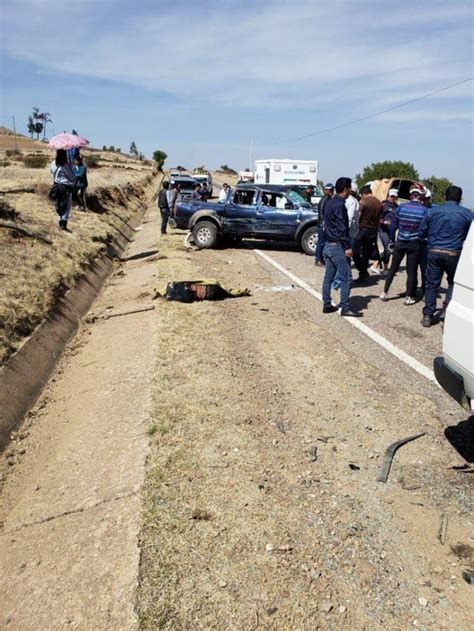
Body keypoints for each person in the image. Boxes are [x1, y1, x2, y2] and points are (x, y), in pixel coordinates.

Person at [419, 185, 472, 327]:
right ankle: (446, 310)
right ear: (460, 199)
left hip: (434, 251)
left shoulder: (432, 212)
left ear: (444, 197)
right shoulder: (467, 214)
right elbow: (469, 235)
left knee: (432, 284)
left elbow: (421, 232)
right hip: (454, 252)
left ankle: (428, 316)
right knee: (452, 283)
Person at [380, 182, 428, 305]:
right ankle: (408, 297)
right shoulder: (425, 211)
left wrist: (391, 241)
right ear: (421, 196)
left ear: (411, 195)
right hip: (414, 243)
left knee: (393, 268)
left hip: (400, 241)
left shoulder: (401, 207)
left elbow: (393, 226)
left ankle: (385, 293)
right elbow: (424, 229)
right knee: (411, 271)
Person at [321, 177, 362, 317]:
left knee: (328, 277)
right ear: (345, 189)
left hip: (328, 244)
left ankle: (326, 304)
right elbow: (342, 228)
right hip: (337, 245)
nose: (351, 190)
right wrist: (347, 247)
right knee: (346, 277)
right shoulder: (340, 205)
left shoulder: (329, 202)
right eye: (350, 188)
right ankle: (345, 307)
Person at [352, 185, 382, 281]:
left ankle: (362, 270)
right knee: (366, 253)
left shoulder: (363, 202)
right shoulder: (379, 203)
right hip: (373, 231)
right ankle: (363, 273)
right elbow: (379, 220)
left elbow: (358, 217)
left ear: (363, 194)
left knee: (355, 251)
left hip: (362, 230)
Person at [372, 189, 398, 273]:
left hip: (392, 231)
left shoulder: (397, 207)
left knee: (390, 249)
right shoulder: (384, 205)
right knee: (387, 248)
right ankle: (377, 265)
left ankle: (384, 268)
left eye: (394, 196)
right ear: (388, 196)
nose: (393, 198)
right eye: (391, 196)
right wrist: (384, 222)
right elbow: (377, 217)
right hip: (383, 230)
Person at [52, 149, 76, 230]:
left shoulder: (54, 163)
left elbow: (52, 172)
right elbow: (71, 176)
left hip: (57, 186)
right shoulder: (66, 164)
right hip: (66, 187)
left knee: (59, 203)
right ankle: (63, 223)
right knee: (66, 206)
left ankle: (60, 220)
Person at [314, 183, 334, 266]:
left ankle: (321, 258)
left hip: (326, 224)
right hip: (323, 224)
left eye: (332, 190)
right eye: (329, 190)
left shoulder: (329, 199)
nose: (331, 191)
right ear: (325, 190)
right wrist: (323, 224)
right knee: (321, 242)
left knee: (324, 242)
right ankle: (318, 259)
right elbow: (321, 213)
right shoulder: (324, 200)